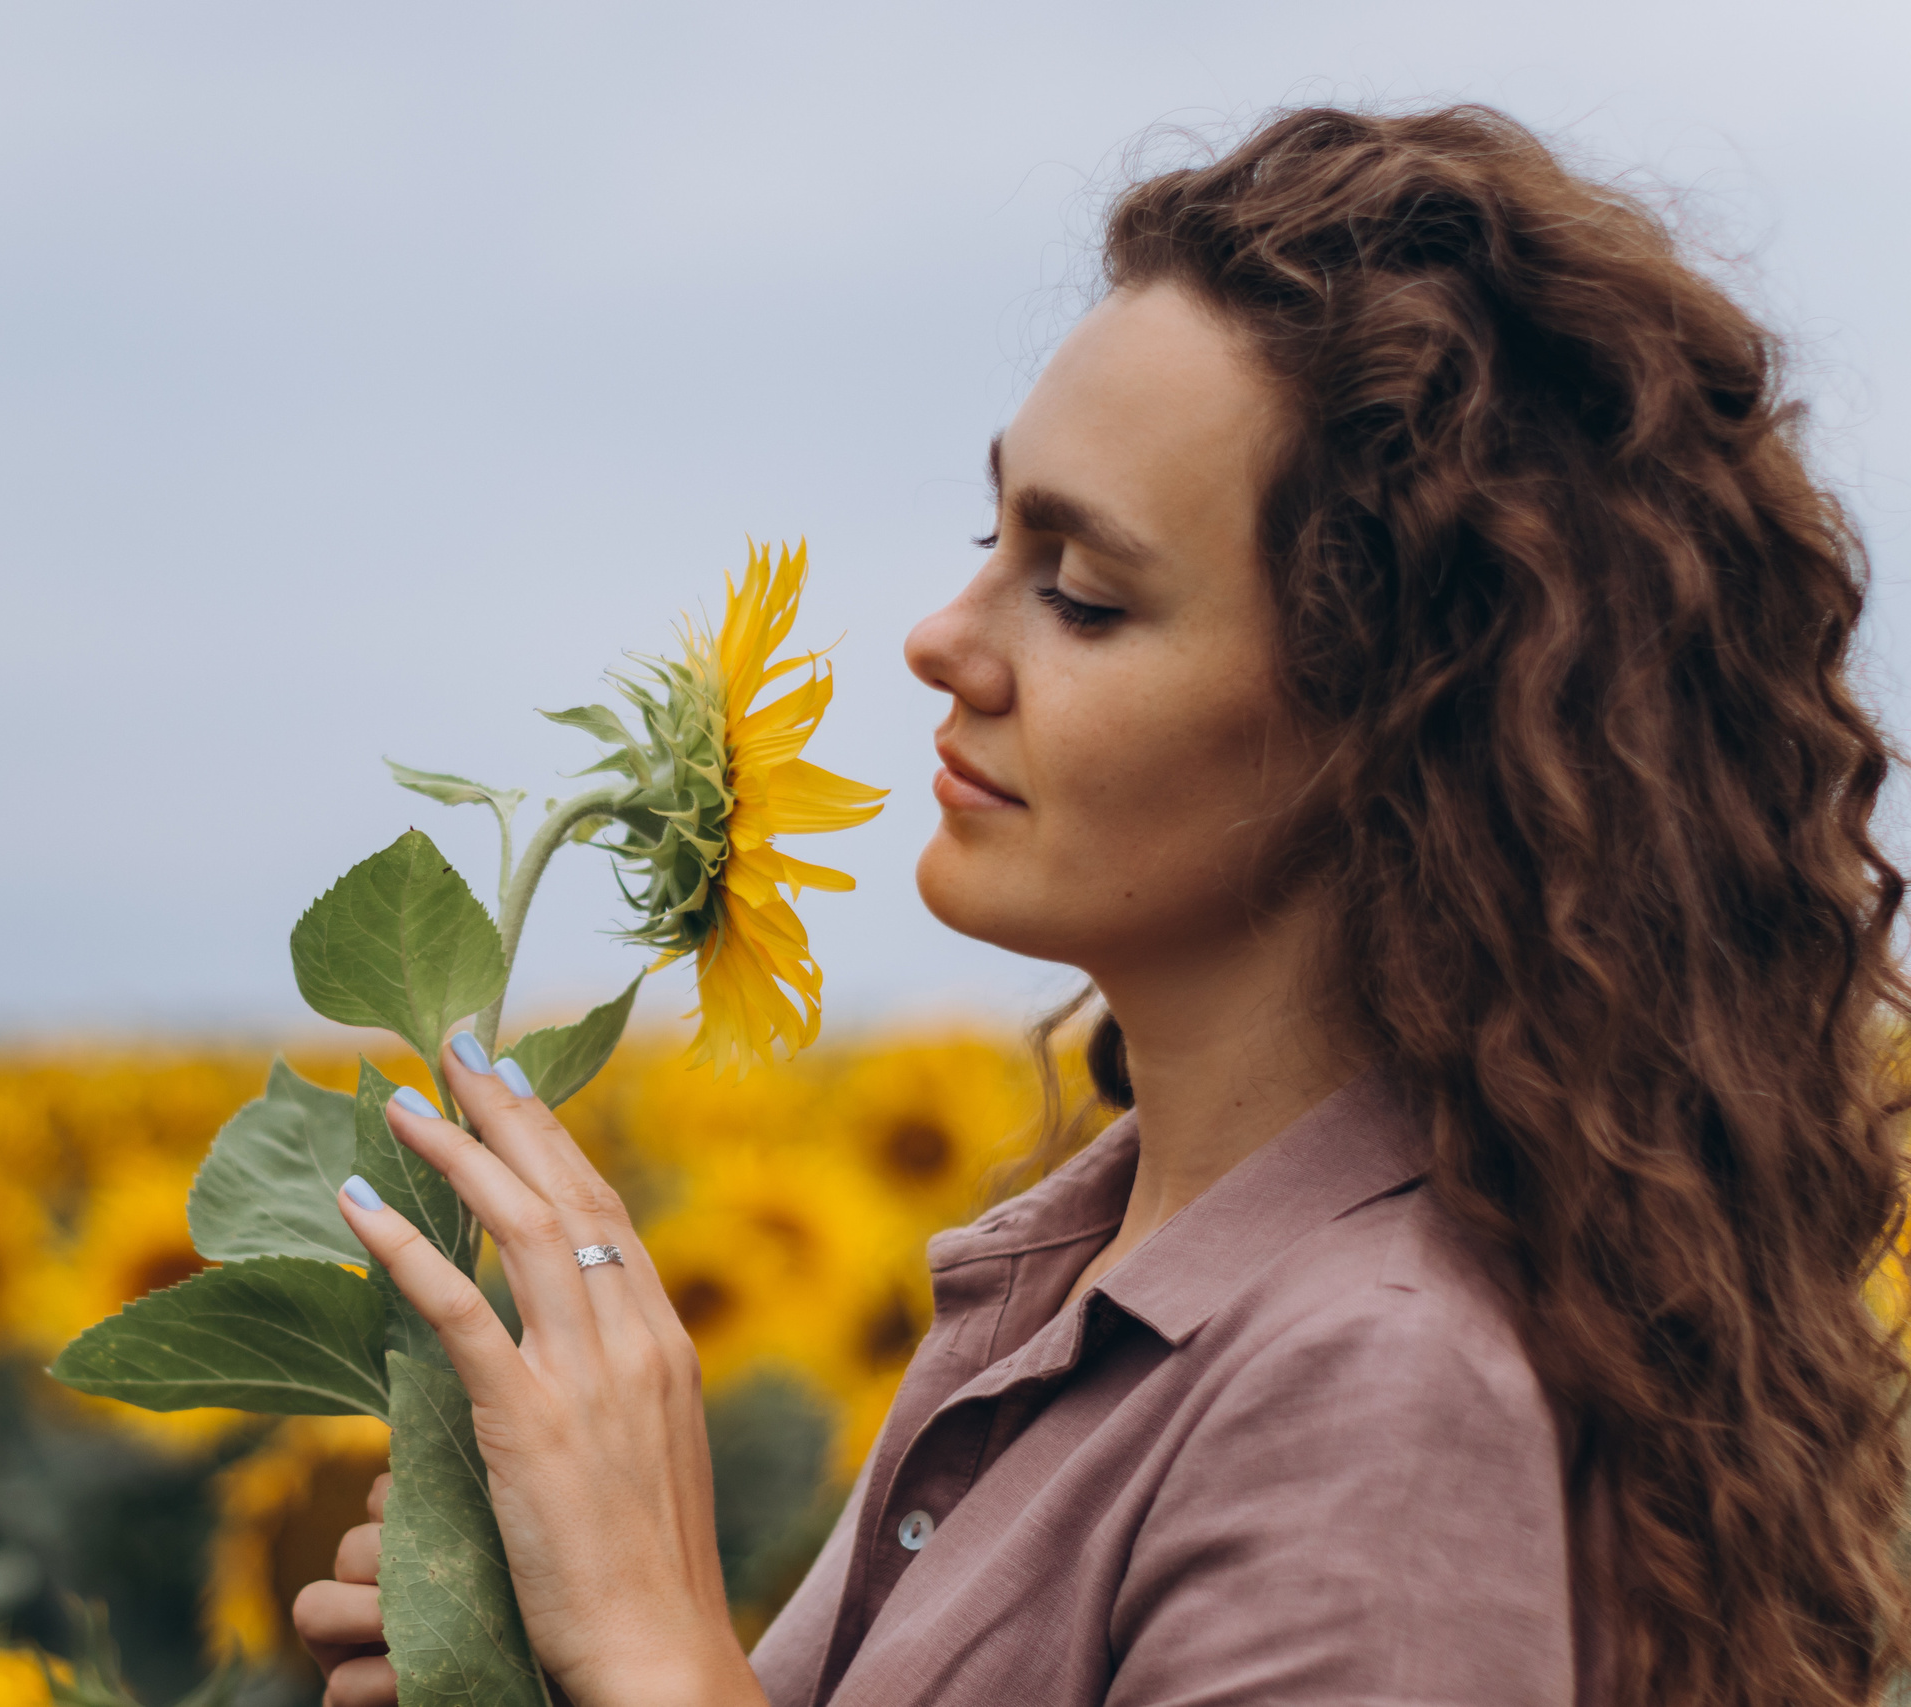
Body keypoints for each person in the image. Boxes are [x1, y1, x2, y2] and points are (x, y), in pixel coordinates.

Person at [292, 104, 1909, 1707]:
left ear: (1398, 727)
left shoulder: (1377, 1395)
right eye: (993, 535)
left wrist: (654, 1646)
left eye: (1081, 594)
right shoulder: (1082, 1278)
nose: (942, 636)